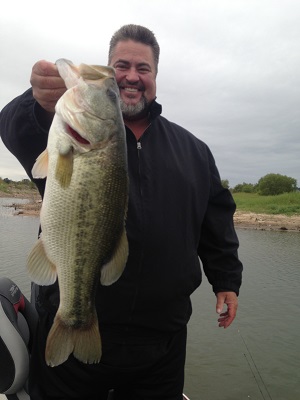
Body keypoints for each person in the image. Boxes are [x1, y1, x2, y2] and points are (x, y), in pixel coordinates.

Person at [0, 24, 243, 400]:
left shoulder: (194, 150)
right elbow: (15, 130)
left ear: (156, 77)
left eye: (143, 68)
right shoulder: (63, 133)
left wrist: (226, 279)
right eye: (120, 66)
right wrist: (37, 103)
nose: (131, 76)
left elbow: (216, 220)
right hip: (74, 345)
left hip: (161, 345)